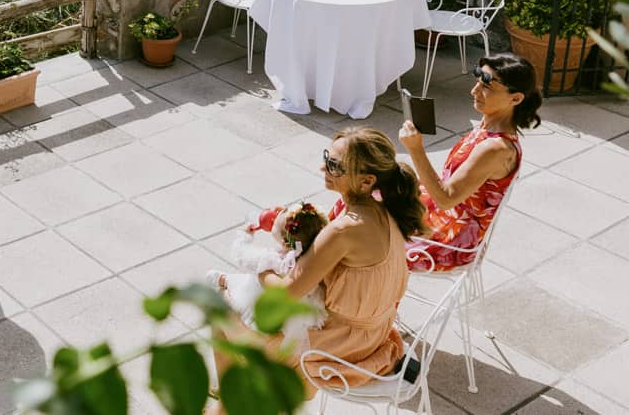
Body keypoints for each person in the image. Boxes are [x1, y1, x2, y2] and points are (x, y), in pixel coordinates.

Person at [218, 129, 428, 397]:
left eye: (334, 165)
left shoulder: (344, 230)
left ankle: (230, 401)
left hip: (338, 349)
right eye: (326, 157)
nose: (323, 167)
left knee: (220, 301)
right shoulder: (386, 212)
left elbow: (286, 293)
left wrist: (262, 264)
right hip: (374, 333)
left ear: (366, 181)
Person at [399, 53, 541, 271]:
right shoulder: (488, 126)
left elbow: (446, 199)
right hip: (439, 215)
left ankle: (372, 300)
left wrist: (416, 150)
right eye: (477, 82)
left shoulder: (495, 149)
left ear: (516, 98)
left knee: (359, 235)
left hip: (448, 239)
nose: (474, 91)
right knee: (364, 189)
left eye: (487, 87)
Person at [210, 202, 328, 347]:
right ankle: (225, 279)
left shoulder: (271, 260)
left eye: (275, 223)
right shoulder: (310, 263)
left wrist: (245, 236)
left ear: (285, 242)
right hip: (291, 321)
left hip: (261, 313)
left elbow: (241, 255)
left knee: (248, 279)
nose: (277, 210)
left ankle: (225, 280)